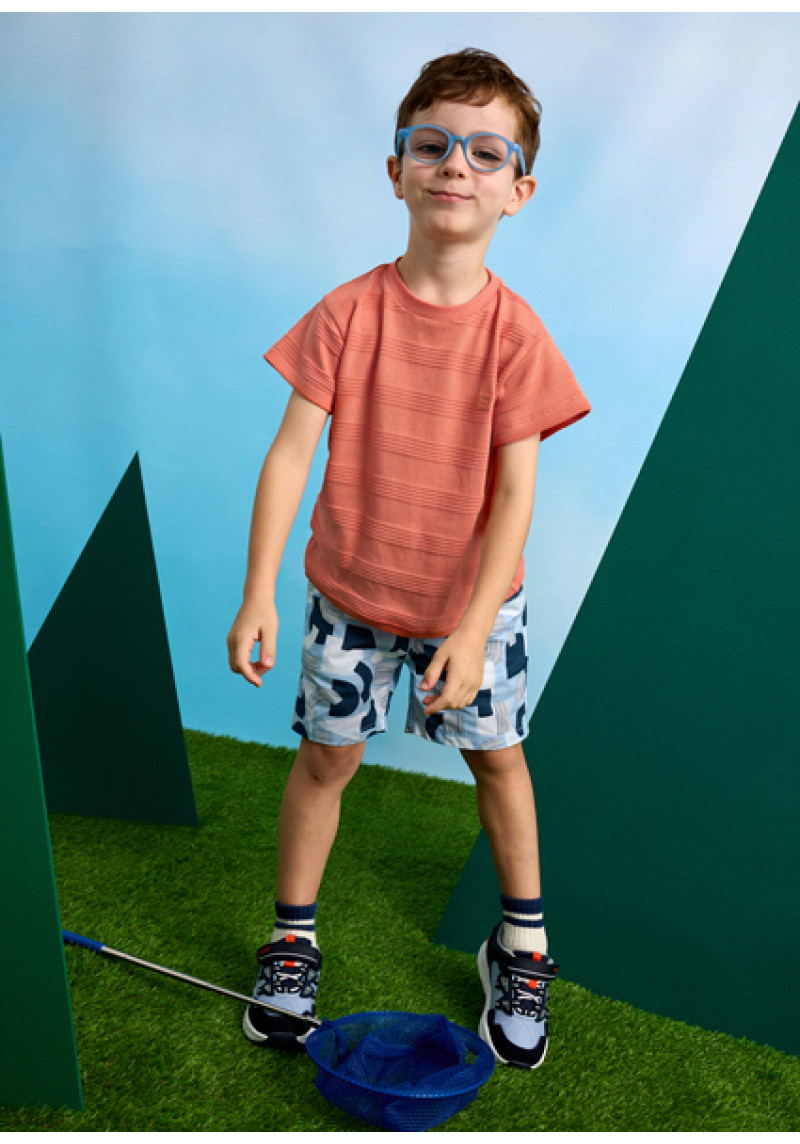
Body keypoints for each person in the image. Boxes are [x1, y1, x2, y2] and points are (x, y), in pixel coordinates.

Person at [226, 47, 590, 1070]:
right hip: (348, 598)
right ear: (396, 172)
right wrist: (258, 592)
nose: (454, 164)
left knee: (498, 760)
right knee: (324, 760)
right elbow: (289, 453)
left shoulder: (517, 338)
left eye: (485, 152)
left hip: (473, 611)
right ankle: (291, 943)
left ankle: (521, 945)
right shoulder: (347, 313)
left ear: (517, 191)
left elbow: (515, 496)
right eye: (431, 145)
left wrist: (472, 631)